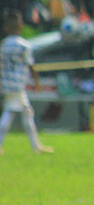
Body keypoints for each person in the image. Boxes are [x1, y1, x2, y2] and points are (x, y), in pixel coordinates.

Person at [0, 10, 54, 155]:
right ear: (22, 26)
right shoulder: (24, 45)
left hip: (6, 82)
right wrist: (37, 81)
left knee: (27, 112)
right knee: (9, 113)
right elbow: (30, 65)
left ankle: (36, 145)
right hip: (18, 83)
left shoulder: (3, 45)